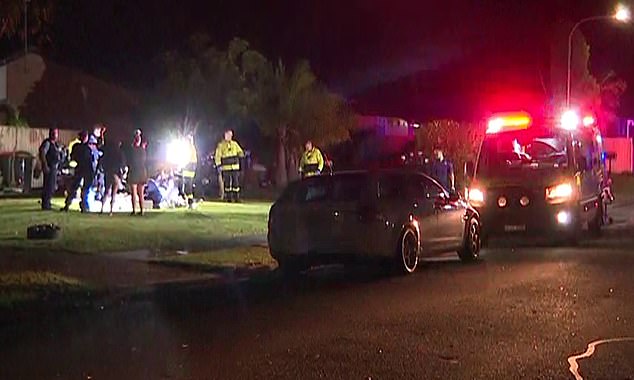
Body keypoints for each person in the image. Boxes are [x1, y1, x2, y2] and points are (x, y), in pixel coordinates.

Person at [61, 131, 95, 212]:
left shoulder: (83, 147)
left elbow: (73, 157)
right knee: (78, 188)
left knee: (80, 188)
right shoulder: (84, 148)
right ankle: (80, 205)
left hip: (83, 169)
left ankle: (80, 205)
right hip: (83, 169)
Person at [214, 129, 244, 202]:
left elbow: (240, 152)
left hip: (235, 167)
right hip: (226, 167)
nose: (230, 136)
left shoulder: (235, 144)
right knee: (227, 183)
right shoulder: (221, 145)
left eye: (231, 135)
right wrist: (218, 165)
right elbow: (217, 156)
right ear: (225, 135)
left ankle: (237, 198)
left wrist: (241, 154)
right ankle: (229, 198)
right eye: (228, 135)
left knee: (236, 183)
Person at [38, 128, 62, 210]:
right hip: (50, 167)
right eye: (54, 133)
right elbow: (42, 153)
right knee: (48, 186)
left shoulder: (55, 144)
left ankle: (48, 203)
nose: (55, 135)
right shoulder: (47, 143)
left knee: (52, 186)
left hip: (54, 167)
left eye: (56, 133)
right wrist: (45, 165)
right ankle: (46, 204)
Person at [125, 129, 148, 215]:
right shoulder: (142, 150)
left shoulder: (131, 150)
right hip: (141, 172)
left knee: (134, 193)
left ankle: (134, 210)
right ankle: (142, 210)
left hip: (134, 171)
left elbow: (129, 161)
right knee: (141, 193)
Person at [99, 139, 125, 215]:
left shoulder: (108, 153)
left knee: (106, 191)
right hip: (115, 174)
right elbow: (122, 164)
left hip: (108, 173)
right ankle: (111, 210)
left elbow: (102, 161)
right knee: (114, 193)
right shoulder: (120, 153)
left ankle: (102, 208)